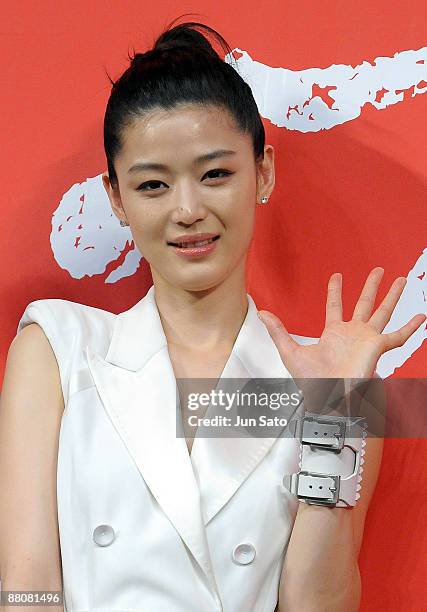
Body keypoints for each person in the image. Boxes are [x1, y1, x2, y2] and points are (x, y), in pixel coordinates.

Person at [0, 16, 425, 612]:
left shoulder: (336, 379)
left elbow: (319, 605)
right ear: (116, 198)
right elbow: (25, 584)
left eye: (216, 174)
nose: (188, 209)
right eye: (152, 185)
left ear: (264, 173)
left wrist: (337, 411)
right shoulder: (58, 346)